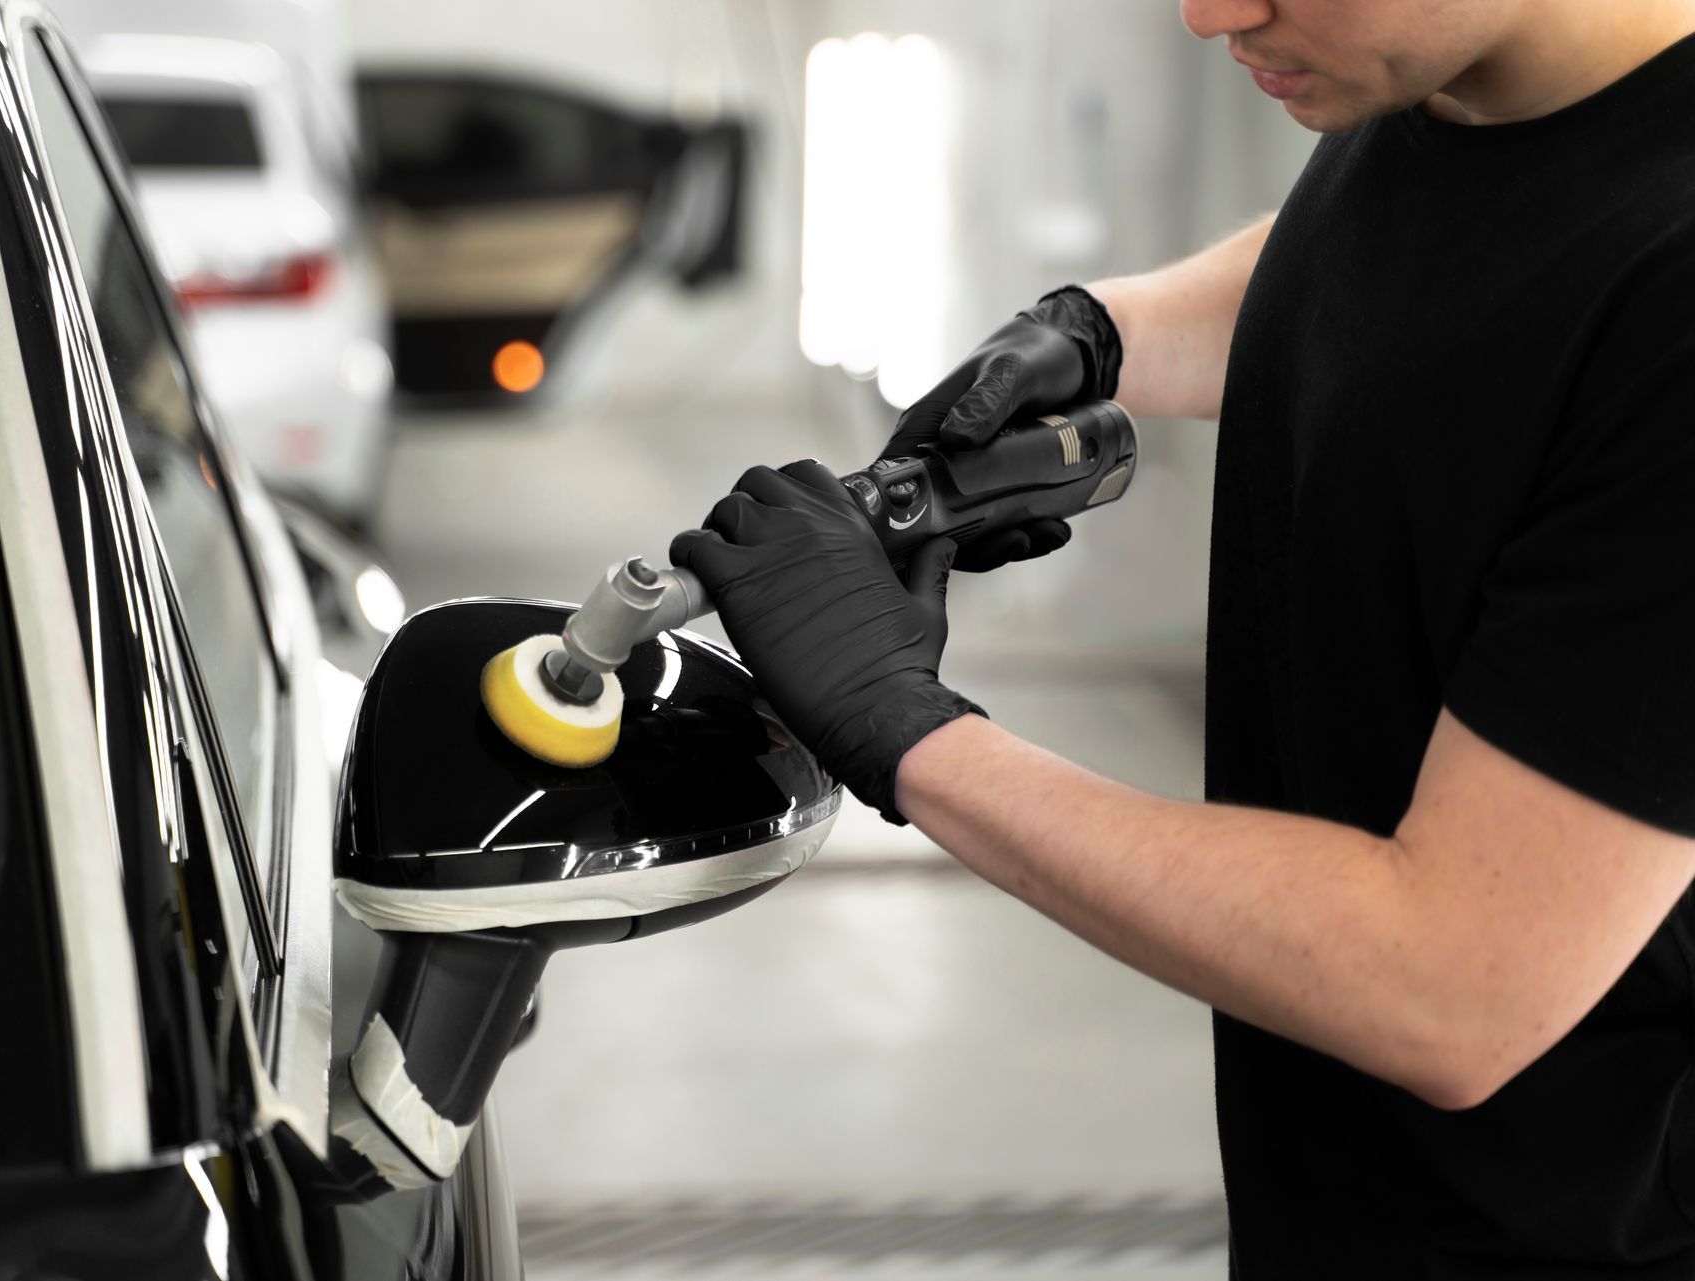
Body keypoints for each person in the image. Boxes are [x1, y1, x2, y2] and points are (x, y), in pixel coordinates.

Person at [670, 1, 1695, 1275]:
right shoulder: (1449, 83)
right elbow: (1442, 258)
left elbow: (1454, 984)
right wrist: (1102, 333)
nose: (1209, 12)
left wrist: (906, 731)